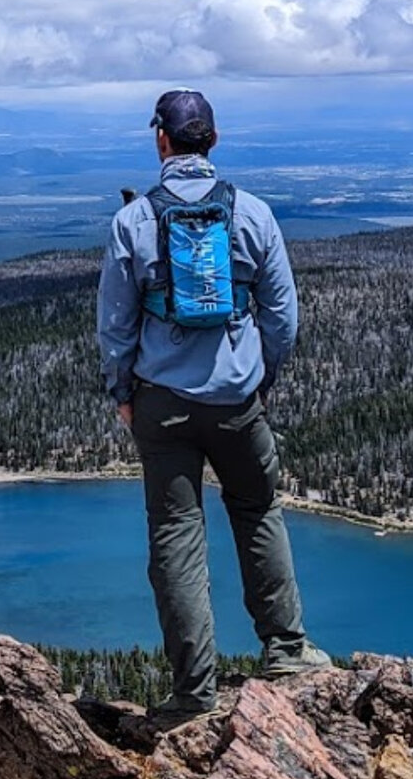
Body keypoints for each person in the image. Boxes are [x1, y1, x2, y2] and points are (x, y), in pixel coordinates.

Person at [97, 88, 330, 721]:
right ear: (215, 141)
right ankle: (285, 648)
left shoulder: (134, 222)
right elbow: (282, 315)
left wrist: (123, 392)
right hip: (237, 400)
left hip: (161, 405)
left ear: (162, 142)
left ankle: (193, 694)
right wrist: (260, 380)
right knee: (256, 511)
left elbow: (115, 325)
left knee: (175, 535)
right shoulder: (253, 214)